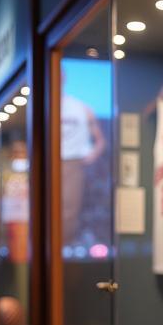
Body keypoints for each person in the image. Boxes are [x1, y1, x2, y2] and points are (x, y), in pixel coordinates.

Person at [60, 82, 105, 245]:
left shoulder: (80, 107)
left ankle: (64, 247)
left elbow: (100, 140)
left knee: (70, 208)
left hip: (74, 161)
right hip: (50, 161)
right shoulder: (45, 105)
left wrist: (91, 155)